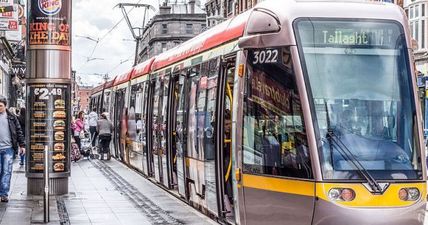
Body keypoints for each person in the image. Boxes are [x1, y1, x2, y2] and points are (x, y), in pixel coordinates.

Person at [0, 96, 25, 202]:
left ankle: (4, 193)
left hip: (8, 148)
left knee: (6, 171)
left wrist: (22, 145)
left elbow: (18, 131)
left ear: (5, 106)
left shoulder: (11, 117)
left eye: (0, 106)